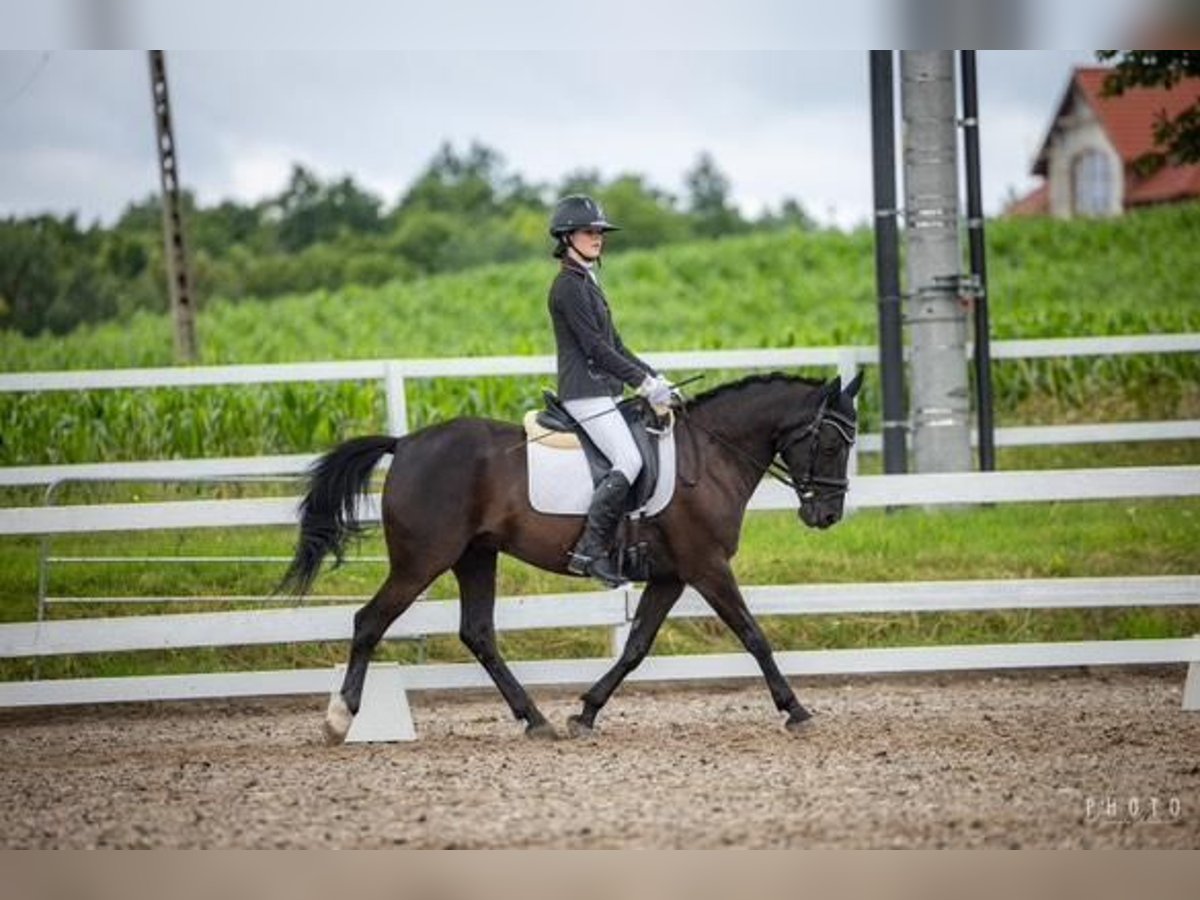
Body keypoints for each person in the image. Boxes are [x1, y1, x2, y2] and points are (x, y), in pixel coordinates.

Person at [546, 194, 675, 587]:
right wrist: (642, 384)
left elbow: (616, 345)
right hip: (585, 392)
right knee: (629, 461)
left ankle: (629, 544)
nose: (598, 237)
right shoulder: (568, 286)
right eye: (590, 231)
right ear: (568, 236)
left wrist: (656, 377)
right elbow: (595, 349)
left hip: (605, 390)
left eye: (601, 231)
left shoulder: (588, 281)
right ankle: (590, 551)